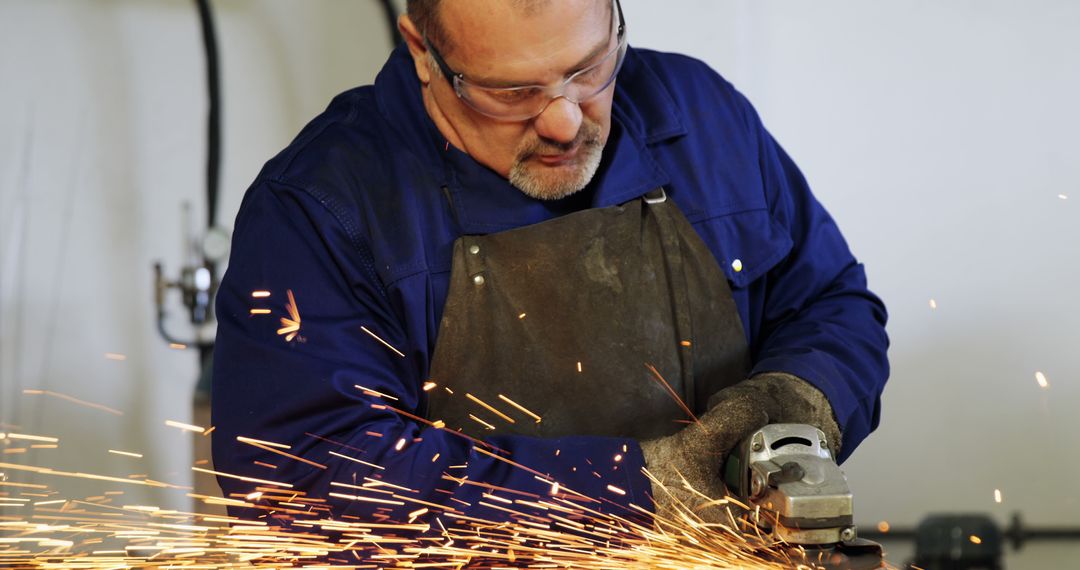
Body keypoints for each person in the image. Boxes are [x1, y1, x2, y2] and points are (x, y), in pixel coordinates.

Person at [211, 0, 889, 526]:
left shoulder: (702, 116)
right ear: (422, 50)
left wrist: (799, 396)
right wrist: (632, 489)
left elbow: (830, 301)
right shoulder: (322, 208)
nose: (565, 120)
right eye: (513, 93)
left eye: (589, 69)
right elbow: (306, 471)